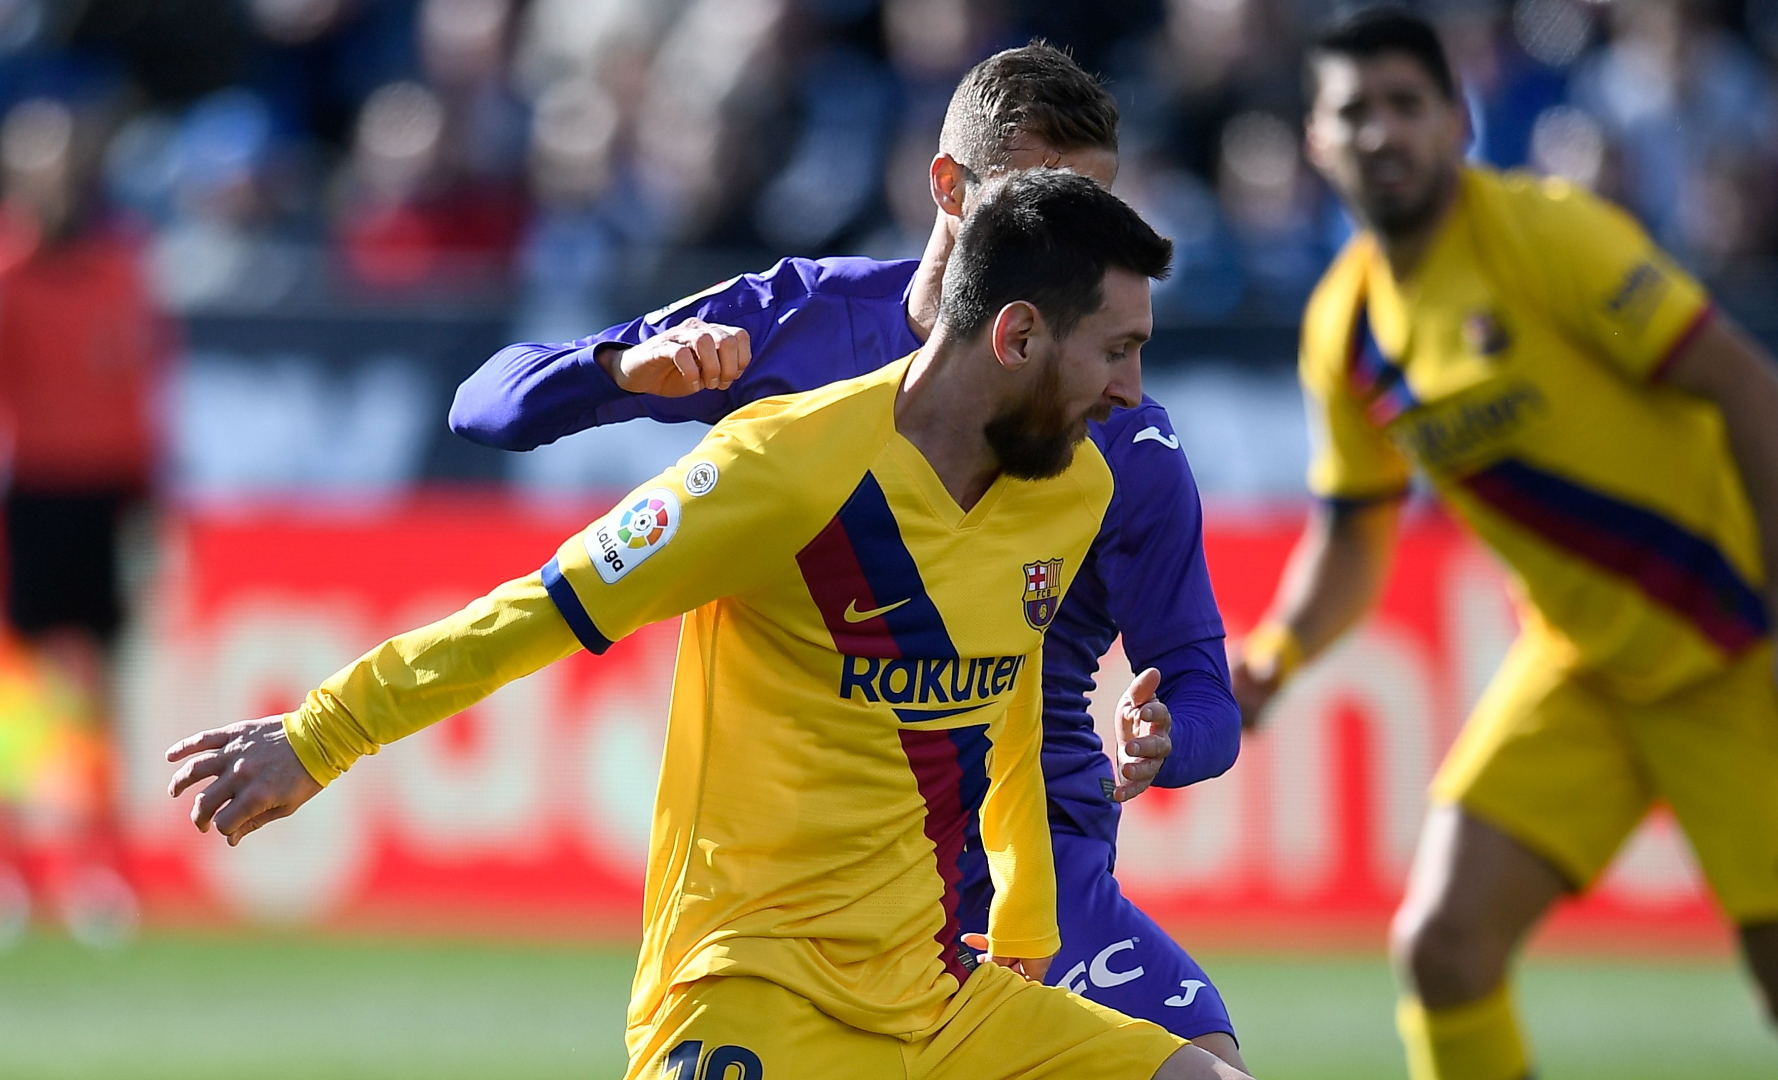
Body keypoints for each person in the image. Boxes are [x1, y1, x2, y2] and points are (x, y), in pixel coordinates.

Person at [167, 170, 1252, 1080]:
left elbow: (1006, 694)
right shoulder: (780, 470)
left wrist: (1020, 932)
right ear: (1016, 336)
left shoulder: (1068, 493)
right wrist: (318, 736)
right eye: (1115, 350)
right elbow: (534, 614)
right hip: (749, 992)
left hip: (938, 1000)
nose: (1133, 391)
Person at [448, 42, 1249, 1071]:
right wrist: (613, 371)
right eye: (1040, 201)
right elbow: (486, 407)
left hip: (1036, 882)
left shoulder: (1121, 437)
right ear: (949, 189)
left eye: (1095, 208)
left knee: (1214, 1061)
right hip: (807, 899)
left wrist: (1168, 738)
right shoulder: (802, 325)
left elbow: (1204, 692)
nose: (1076, 246)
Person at [1231, 9, 1778, 1080]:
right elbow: (1354, 538)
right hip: (1582, 671)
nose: (1382, 134)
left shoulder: (1545, 236)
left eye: (1406, 106)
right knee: (1443, 949)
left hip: (1733, 652)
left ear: (1458, 120)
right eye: (1353, 113)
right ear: (1317, 144)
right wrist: (1275, 651)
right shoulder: (1344, 328)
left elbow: (1746, 387)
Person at [0, 96, 164, 946]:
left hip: (103, 494)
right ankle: (17, 867)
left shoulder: (118, 271)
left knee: (96, 691)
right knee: (21, 690)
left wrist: (149, 500)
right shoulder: (10, 272)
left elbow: (144, 393)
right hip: (33, 495)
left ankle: (101, 866)